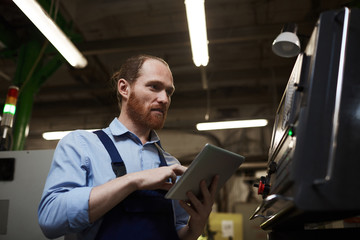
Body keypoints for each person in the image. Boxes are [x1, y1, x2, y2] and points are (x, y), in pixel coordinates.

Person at [38, 54, 219, 240]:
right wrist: (133, 181)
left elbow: (177, 230)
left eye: (169, 92)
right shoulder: (81, 145)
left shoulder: (171, 164)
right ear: (124, 88)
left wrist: (195, 227)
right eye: (154, 87)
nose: (164, 99)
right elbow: (50, 219)